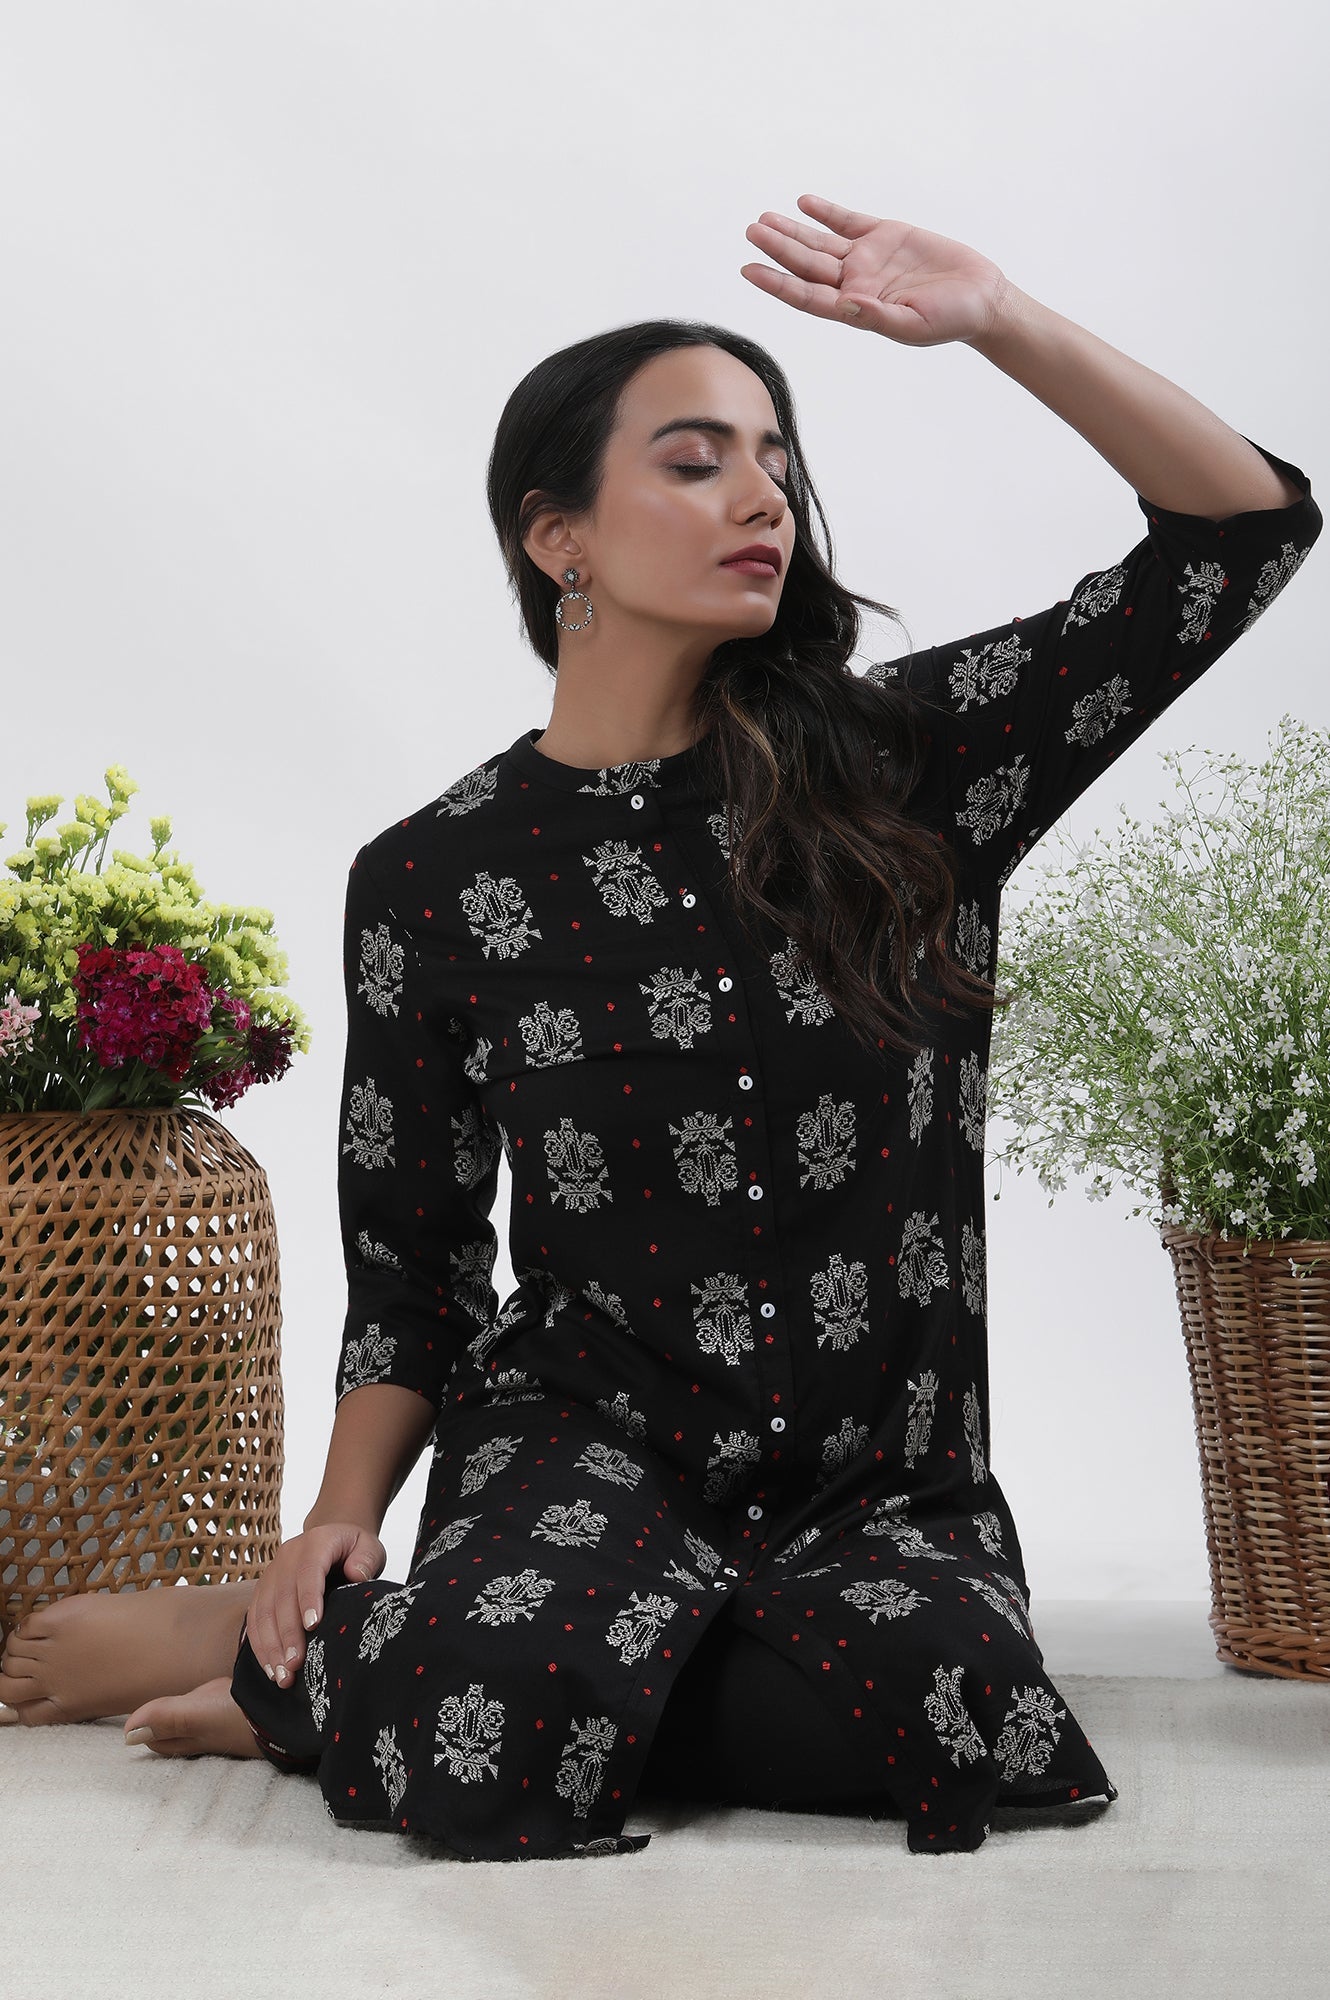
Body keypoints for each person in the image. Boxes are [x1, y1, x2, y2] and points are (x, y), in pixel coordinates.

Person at [2, 196, 1320, 1861]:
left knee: (964, 1723)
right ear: (558, 538)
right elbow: (412, 1268)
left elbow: (1238, 538)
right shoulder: (430, 877)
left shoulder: (910, 771)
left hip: (874, 1475)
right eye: (695, 463)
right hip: (583, 1448)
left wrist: (998, 316)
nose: (762, 497)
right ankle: (391, 1636)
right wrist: (335, 1522)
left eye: (774, 461)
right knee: (518, 1686)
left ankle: (330, 1680)